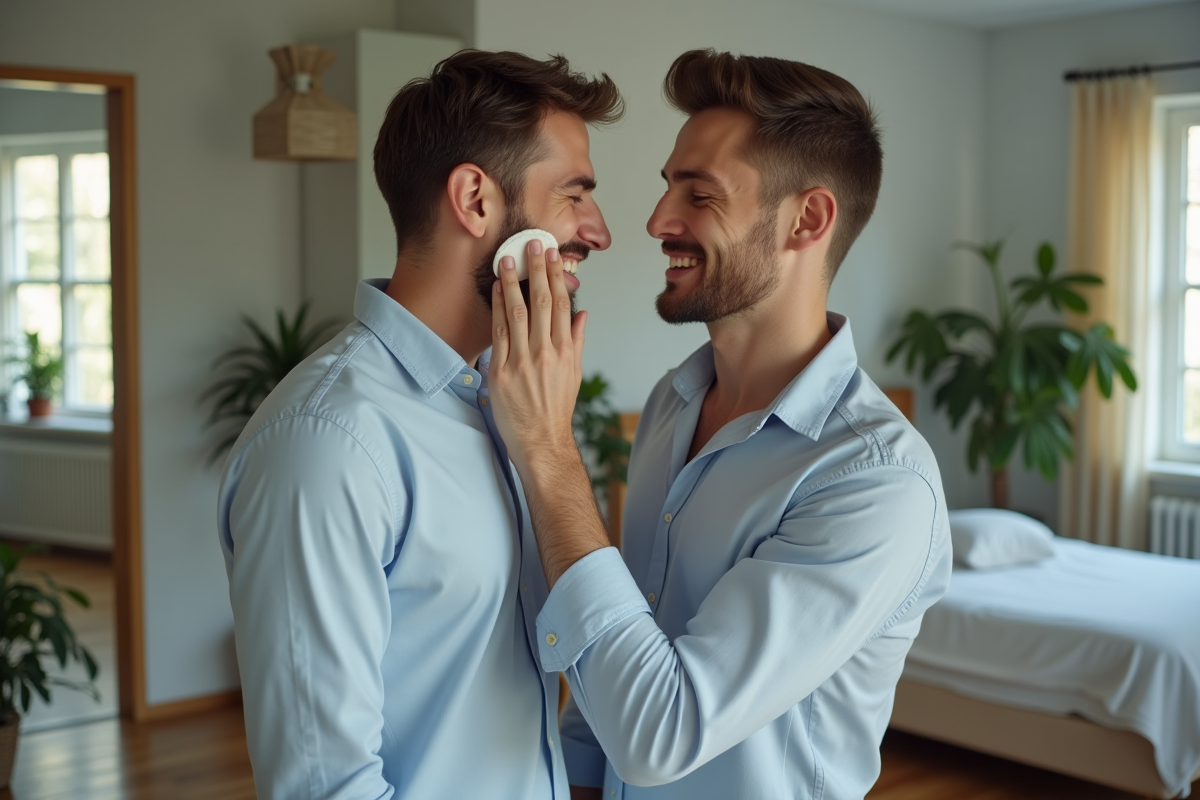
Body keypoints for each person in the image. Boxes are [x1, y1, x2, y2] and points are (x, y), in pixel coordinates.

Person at [487, 49, 953, 800]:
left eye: (698, 196)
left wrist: (546, 450)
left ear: (808, 219)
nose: (655, 221)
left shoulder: (875, 482)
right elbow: (614, 641)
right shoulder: (673, 404)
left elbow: (660, 733)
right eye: (669, 185)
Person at [216, 50, 621, 800]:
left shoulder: (513, 404)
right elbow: (323, 787)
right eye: (574, 196)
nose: (597, 232)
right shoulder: (327, 444)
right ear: (475, 199)